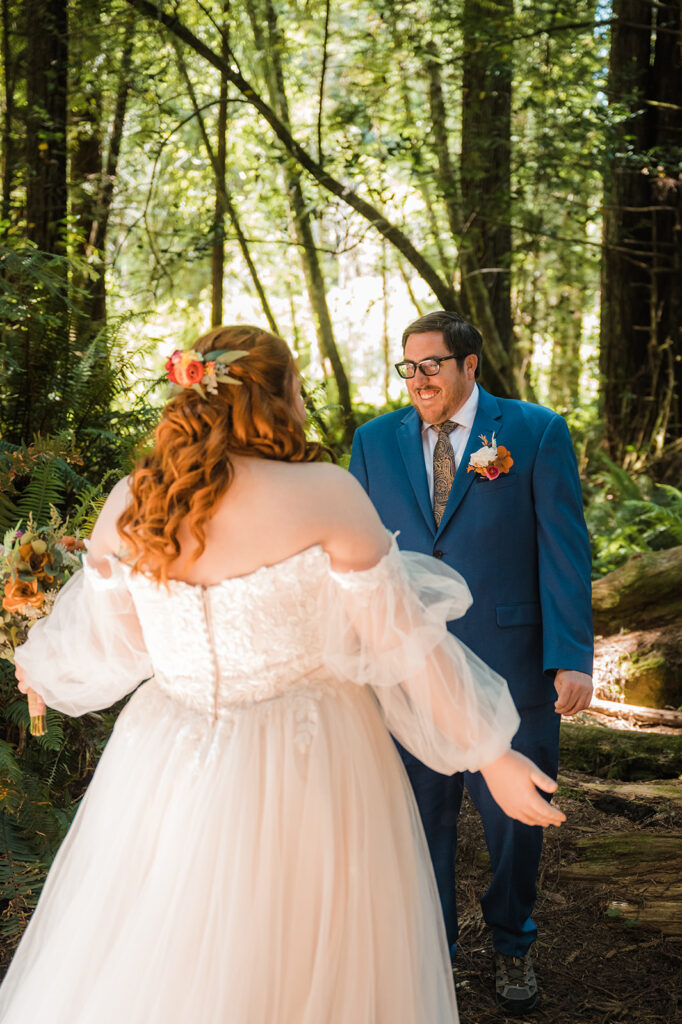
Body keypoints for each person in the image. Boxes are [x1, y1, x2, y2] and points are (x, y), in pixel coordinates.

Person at [0, 324, 564, 1024]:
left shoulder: (132, 500)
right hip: (313, 755)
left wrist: (44, 669)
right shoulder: (324, 493)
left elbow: (116, 644)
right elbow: (405, 647)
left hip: (165, 755)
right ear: (277, 397)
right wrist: (492, 754)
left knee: (163, 944)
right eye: (295, 386)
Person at [349, 310, 593, 1015]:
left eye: (432, 365)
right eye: (408, 366)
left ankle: (514, 943)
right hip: (406, 670)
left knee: (516, 824)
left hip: (512, 666)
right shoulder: (373, 442)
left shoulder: (535, 431)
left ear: (469, 365)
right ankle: (434, 953)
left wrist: (571, 656)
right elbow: (358, 559)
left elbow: (564, 551)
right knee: (419, 822)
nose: (418, 379)